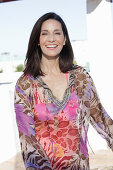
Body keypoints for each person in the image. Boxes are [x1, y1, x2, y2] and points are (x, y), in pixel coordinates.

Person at [14, 12, 113, 170]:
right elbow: (28, 140)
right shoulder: (25, 85)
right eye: (45, 33)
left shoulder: (81, 77)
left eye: (57, 33)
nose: (51, 39)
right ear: (37, 41)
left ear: (65, 39)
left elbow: (101, 117)